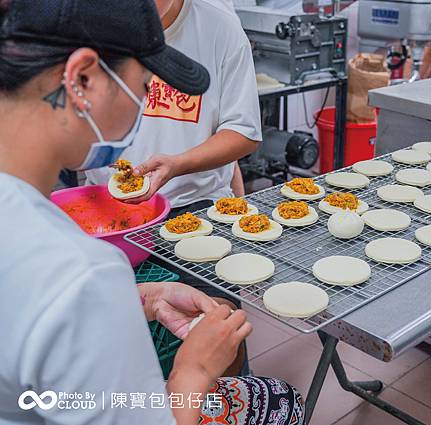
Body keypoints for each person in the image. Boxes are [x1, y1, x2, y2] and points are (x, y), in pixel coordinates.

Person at [0, 1, 303, 425]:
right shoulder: (82, 275)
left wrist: (144, 298)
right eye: (143, 86)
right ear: (82, 79)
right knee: (280, 402)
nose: (144, 105)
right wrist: (192, 372)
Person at [85, 0, 262, 375]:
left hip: (193, 210)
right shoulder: (96, 21)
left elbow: (244, 132)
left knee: (215, 336)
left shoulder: (220, 29)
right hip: (103, 215)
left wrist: (178, 164)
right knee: (116, 348)